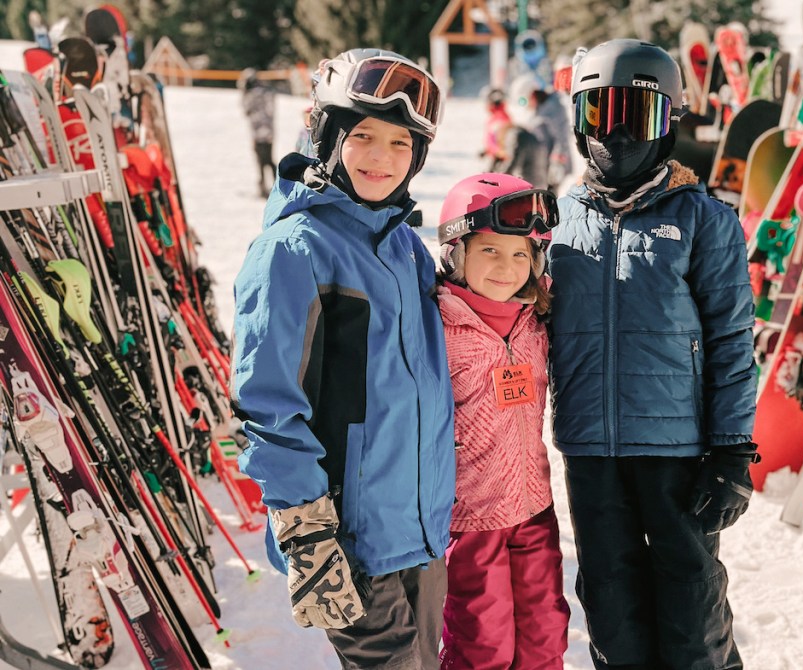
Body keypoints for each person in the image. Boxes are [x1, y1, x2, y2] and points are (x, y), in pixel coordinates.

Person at [232, 49, 454, 669]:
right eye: (362, 136)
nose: (382, 158)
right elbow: (267, 406)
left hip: (421, 533)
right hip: (347, 543)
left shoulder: (405, 244)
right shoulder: (293, 251)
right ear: (325, 134)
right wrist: (308, 531)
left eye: (401, 144)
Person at [546, 39, 759, 670]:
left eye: (635, 117)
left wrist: (731, 448)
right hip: (590, 450)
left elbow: (731, 340)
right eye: (597, 114)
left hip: (680, 453)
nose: (615, 134)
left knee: (690, 610)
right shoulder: (556, 220)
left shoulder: (704, 220)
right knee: (611, 608)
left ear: (668, 122)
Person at [434, 174, 570, 669]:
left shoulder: (535, 320)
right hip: (470, 517)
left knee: (545, 635)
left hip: (533, 507)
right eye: (490, 251)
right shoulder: (439, 326)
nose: (506, 268)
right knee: (483, 644)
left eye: (519, 255)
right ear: (456, 252)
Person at [506, 74, 573, 193]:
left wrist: (557, 161)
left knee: (549, 201)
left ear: (532, 94)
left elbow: (562, 137)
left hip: (553, 167)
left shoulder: (553, 108)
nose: (526, 105)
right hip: (542, 165)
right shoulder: (540, 109)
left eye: (524, 100)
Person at [238, 67, 277, 197]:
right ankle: (277, 184)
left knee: (261, 161)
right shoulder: (266, 92)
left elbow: (246, 110)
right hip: (269, 131)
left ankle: (263, 187)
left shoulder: (249, 95)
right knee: (269, 159)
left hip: (257, 132)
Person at [481, 87, 512, 171]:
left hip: (500, 160)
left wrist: (499, 153)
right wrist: (487, 150)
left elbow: (502, 141)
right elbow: (493, 139)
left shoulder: (501, 118)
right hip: (496, 157)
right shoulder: (495, 117)